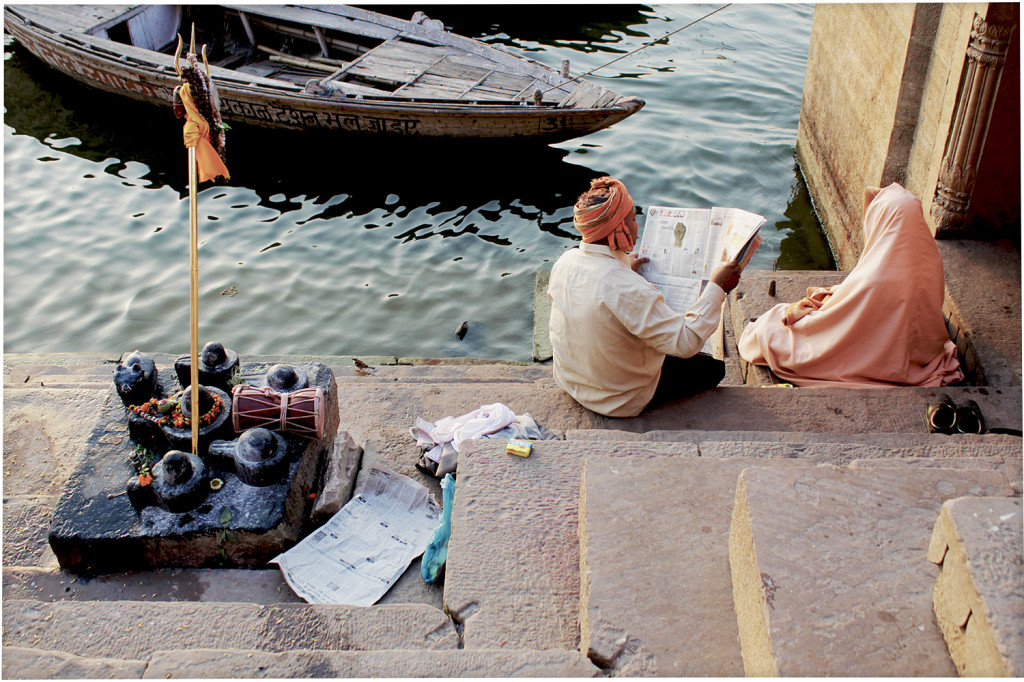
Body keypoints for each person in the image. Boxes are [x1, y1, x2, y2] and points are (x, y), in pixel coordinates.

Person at [547, 176, 743, 418]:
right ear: (618, 229)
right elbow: (686, 343)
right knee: (713, 369)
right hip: (618, 400)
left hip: (571, 382)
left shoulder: (565, 262)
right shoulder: (627, 288)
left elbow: (596, 296)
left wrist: (623, 268)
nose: (637, 226)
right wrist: (718, 287)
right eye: (632, 219)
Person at [738, 182, 963, 387]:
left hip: (880, 357)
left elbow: (848, 316)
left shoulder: (876, 278)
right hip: (921, 353)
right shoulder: (931, 260)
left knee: (767, 332)